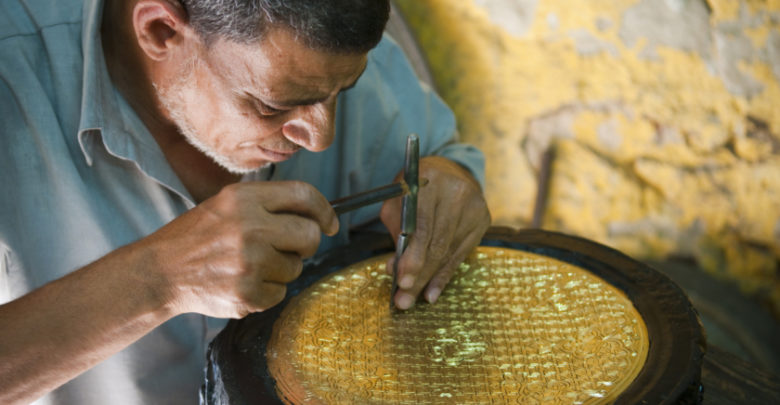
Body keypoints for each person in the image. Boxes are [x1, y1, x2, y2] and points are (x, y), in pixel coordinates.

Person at [0, 0, 490, 403]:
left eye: (344, 92)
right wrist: (160, 278)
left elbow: (441, 162)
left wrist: (450, 182)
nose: (321, 137)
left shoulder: (325, 42)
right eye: (272, 105)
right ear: (160, 31)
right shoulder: (13, 81)